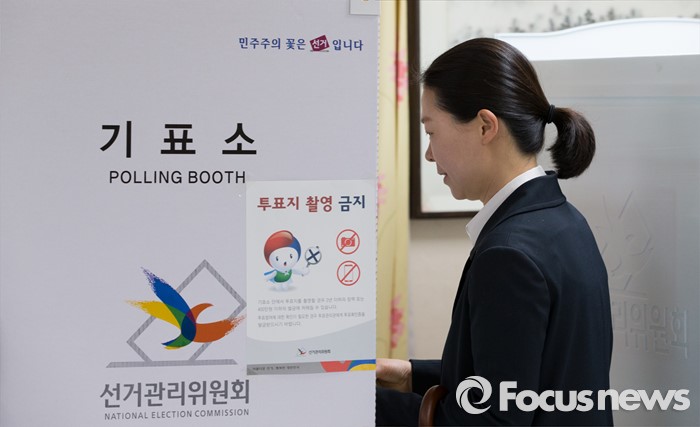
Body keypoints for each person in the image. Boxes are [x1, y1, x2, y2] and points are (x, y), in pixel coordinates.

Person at [376, 38, 613, 426]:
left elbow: (494, 419)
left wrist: (364, 405)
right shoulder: (565, 222)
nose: (429, 154)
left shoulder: (508, 255)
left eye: (431, 132)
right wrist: (412, 376)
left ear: (485, 126)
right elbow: (523, 381)